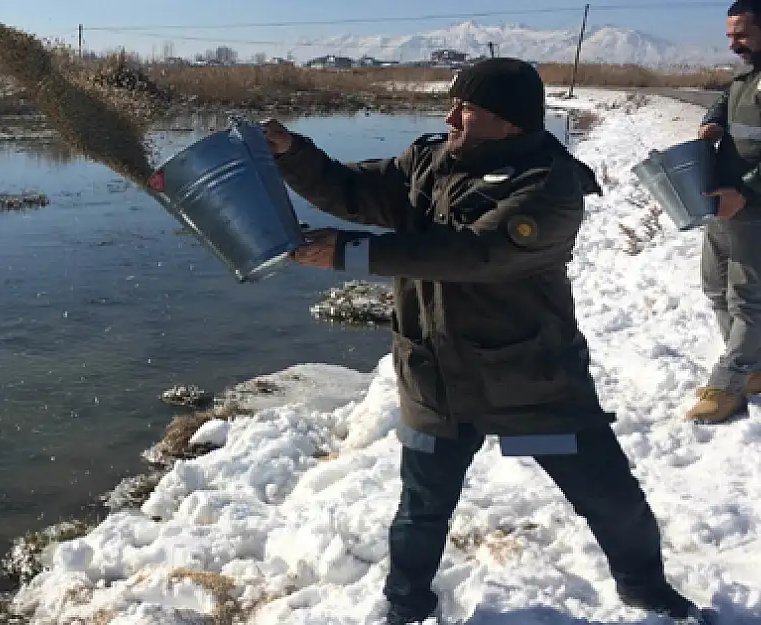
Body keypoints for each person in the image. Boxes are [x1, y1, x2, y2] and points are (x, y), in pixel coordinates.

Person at [261, 57, 701, 625]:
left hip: (530, 387)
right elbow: (352, 190)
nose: (449, 116)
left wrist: (350, 252)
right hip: (435, 378)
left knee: (607, 498)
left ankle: (648, 593)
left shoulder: (550, 186)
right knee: (422, 509)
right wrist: (290, 153)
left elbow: (474, 254)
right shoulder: (429, 161)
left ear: (510, 123)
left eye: (465, 110)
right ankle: (407, 604)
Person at [690, 0, 761, 423]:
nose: (733, 43)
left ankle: (728, 385)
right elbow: (725, 100)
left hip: (752, 206)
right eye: (730, 35)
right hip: (723, 200)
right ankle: (751, 369)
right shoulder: (744, 73)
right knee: (716, 287)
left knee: (749, 299)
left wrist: (747, 192)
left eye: (742, 34)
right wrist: (713, 120)